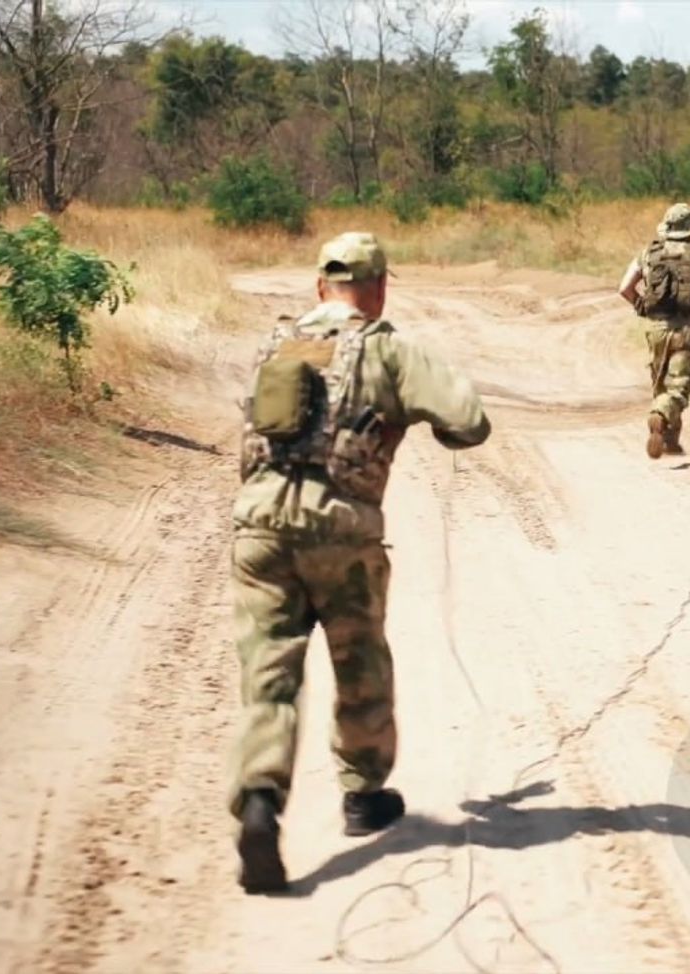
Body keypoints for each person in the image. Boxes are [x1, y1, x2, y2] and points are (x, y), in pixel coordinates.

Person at [227, 232, 491, 894]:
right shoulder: (386, 349)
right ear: (378, 289)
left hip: (258, 530)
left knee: (269, 674)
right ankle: (363, 796)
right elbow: (469, 419)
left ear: (320, 287)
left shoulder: (283, 345)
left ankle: (259, 800)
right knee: (359, 660)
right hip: (340, 532)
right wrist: (422, 422)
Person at [618, 202, 690, 458]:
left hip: (656, 327)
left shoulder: (649, 253)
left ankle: (670, 441)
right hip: (688, 328)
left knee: (660, 382)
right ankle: (659, 416)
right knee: (679, 385)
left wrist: (642, 307)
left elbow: (624, 288)